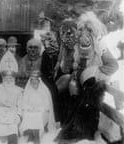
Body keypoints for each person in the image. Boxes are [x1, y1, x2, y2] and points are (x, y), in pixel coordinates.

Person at [56, 11, 119, 143]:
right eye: (82, 29)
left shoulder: (100, 46)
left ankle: (83, 130)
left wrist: (96, 71)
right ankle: (71, 124)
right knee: (70, 89)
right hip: (82, 82)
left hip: (96, 84)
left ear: (94, 31)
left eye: (89, 30)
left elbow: (113, 65)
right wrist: (76, 73)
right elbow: (75, 65)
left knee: (89, 96)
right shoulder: (79, 47)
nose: (84, 33)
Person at [0, 51, 23, 144]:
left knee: (12, 130)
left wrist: (18, 115)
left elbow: (20, 105)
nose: (8, 80)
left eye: (10, 78)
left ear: (13, 79)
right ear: (3, 78)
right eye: (6, 78)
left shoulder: (19, 90)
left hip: (12, 114)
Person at [20, 70, 56, 144]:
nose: (34, 82)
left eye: (36, 80)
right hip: (30, 111)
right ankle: (32, 134)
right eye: (32, 80)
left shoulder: (44, 90)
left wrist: (38, 109)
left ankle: (36, 136)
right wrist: (29, 108)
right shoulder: (28, 90)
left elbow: (47, 105)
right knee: (27, 114)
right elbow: (24, 103)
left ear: (39, 80)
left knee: (38, 116)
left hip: (41, 111)